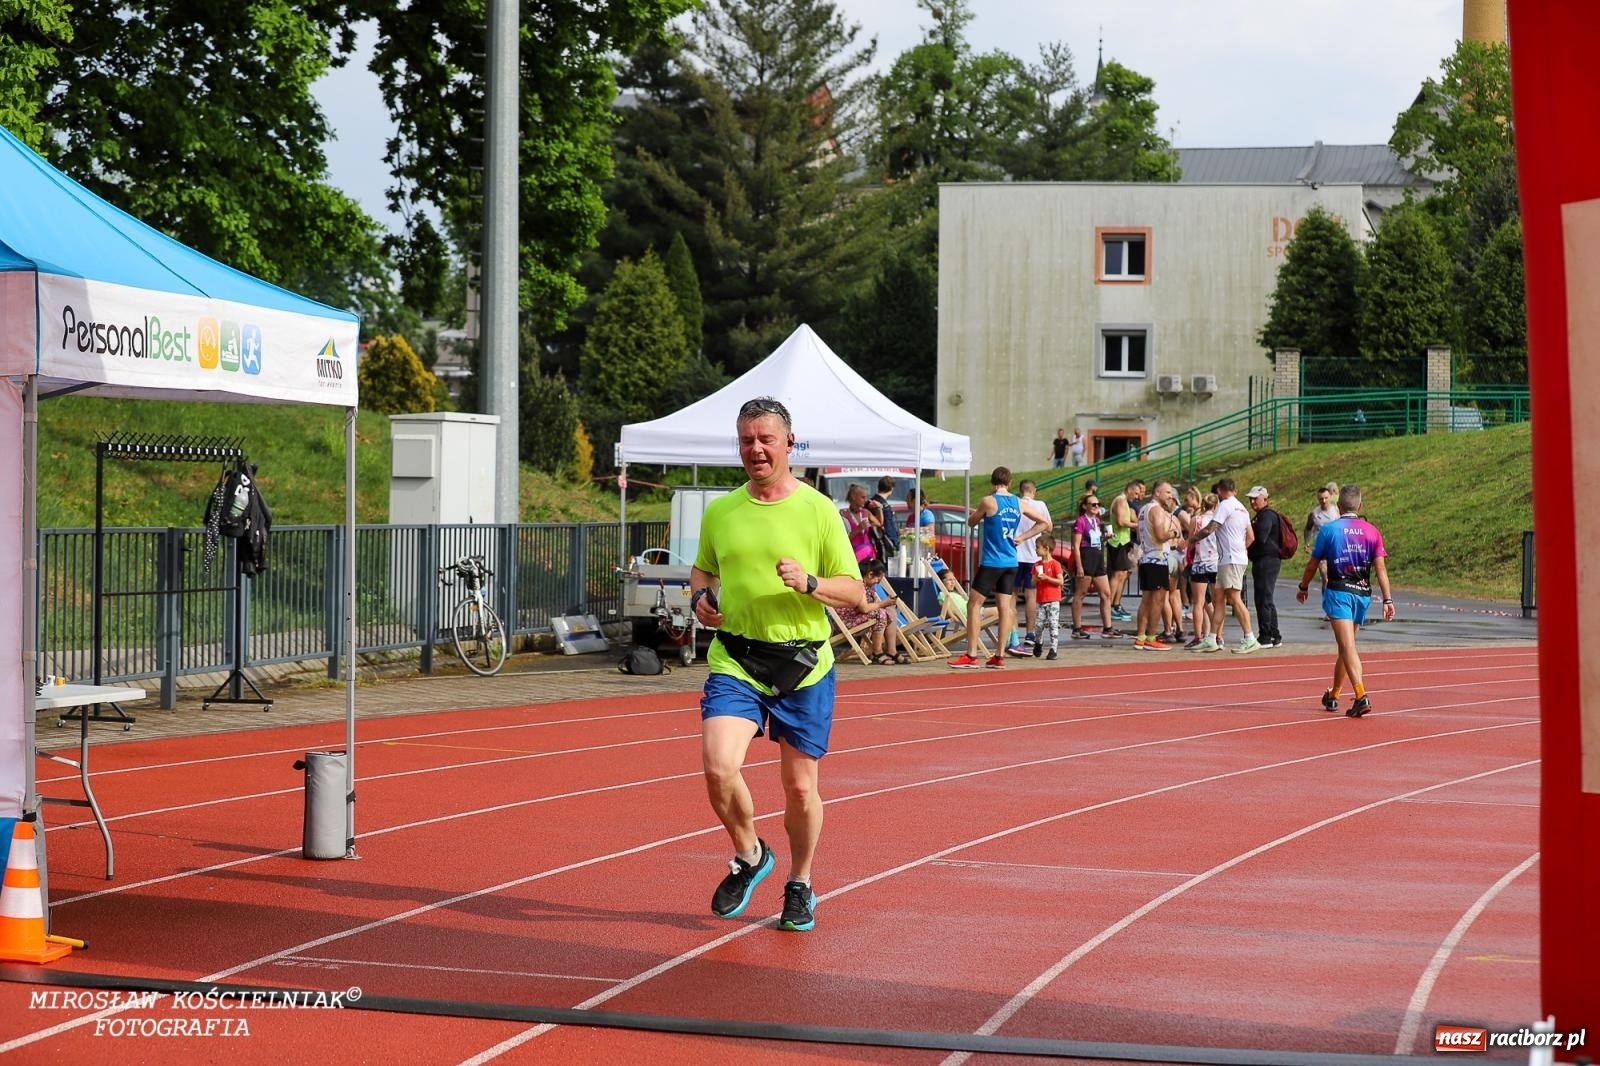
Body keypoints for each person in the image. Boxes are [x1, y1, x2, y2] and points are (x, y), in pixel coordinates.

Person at [690, 396, 864, 933]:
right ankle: (750, 854)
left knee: (799, 788)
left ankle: (801, 881)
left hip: (802, 666)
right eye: (747, 440)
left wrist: (811, 583)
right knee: (719, 766)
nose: (756, 449)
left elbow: (855, 593)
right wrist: (700, 601)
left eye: (766, 439)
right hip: (737, 657)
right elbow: (701, 574)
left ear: (790, 443)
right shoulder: (721, 511)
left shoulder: (817, 511)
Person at [1295, 484, 1394, 717]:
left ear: (1339, 506)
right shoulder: (1372, 531)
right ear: (1360, 505)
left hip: (1339, 590)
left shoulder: (1330, 530)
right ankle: (1334, 694)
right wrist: (1388, 600)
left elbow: (1313, 563)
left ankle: (1361, 696)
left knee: (1348, 647)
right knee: (1345, 647)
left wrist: (1303, 586)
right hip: (1362, 593)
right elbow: (1381, 569)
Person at [948, 466, 1048, 669]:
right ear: (1010, 483)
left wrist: (983, 515)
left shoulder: (989, 501)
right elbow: (1044, 522)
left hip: (992, 561)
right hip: (1012, 561)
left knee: (973, 605)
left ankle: (972, 655)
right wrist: (1022, 537)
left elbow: (971, 522)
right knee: (1005, 608)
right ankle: (999, 655)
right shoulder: (1018, 502)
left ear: (993, 483)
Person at [1188, 478, 1258, 654]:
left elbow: (1210, 528)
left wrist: (1191, 540)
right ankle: (1212, 638)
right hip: (1230, 558)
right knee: (1218, 599)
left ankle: (1250, 637)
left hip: (1230, 559)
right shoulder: (1242, 508)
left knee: (1234, 598)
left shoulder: (1225, 505)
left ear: (1219, 491)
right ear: (1234, 489)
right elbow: (1250, 537)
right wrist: (1240, 550)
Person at [1134, 480, 1182, 650]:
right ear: (1157, 493)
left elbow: (1139, 538)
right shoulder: (1157, 510)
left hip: (1146, 558)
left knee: (1146, 599)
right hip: (1157, 558)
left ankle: (1140, 637)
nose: (1170, 496)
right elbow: (1161, 535)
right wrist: (1174, 532)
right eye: (1167, 492)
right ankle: (1151, 637)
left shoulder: (1143, 510)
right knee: (1158, 600)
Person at [1009, 479, 1052, 655]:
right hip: (1034, 556)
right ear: (1034, 491)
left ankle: (1012, 634)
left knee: (1011, 596)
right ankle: (1030, 633)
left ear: (1020, 491)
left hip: (1015, 554)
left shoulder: (1015, 503)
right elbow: (1049, 526)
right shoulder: (1040, 505)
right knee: (1031, 596)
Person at [835, 559, 906, 665]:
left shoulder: (868, 586)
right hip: (846, 621)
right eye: (877, 579)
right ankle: (877, 653)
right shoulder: (857, 585)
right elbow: (864, 608)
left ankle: (892, 651)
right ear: (870, 574)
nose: (877, 582)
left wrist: (887, 603)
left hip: (857, 617)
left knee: (890, 611)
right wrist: (882, 604)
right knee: (880, 614)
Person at [1071, 493, 1118, 639]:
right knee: (1081, 593)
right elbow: (1076, 546)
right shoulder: (1081, 521)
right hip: (1086, 558)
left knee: (1106, 593)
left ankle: (1108, 627)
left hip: (1097, 557)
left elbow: (1096, 540)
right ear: (1085, 506)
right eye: (1093, 504)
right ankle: (1077, 628)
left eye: (1098, 504)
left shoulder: (1097, 520)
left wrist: (1106, 538)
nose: (1097, 507)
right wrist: (1079, 566)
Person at [1245, 486, 1284, 648]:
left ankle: (1266, 636)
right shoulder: (1262, 515)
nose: (1252, 501)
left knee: (1263, 598)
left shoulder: (1266, 515)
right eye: (1251, 499)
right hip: (1266, 559)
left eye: (1256, 498)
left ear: (1265, 499)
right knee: (1266, 597)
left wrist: (1247, 545)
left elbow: (1260, 538)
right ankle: (1275, 635)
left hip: (1266, 560)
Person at [1105, 480, 1144, 623]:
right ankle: (1108, 605)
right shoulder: (1120, 501)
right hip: (1117, 542)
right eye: (1136, 493)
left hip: (1123, 541)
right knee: (1117, 575)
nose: (1136, 496)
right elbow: (1121, 522)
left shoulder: (1125, 502)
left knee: (1122, 574)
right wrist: (1138, 525)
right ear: (1130, 489)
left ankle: (1115, 605)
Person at [1185, 492, 1220, 648]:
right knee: (1218, 602)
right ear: (1216, 505)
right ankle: (1218, 636)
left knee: (1198, 603)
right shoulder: (1219, 520)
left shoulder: (1196, 520)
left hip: (1200, 563)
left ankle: (1198, 637)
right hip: (1216, 563)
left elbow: (1191, 542)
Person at [1030, 532, 1065, 659]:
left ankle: (1053, 649)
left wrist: (1047, 578)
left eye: (1038, 547)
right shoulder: (1037, 565)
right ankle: (1038, 642)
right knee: (1039, 625)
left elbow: (1060, 581)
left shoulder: (1055, 564)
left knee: (1053, 624)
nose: (1036, 550)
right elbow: (1032, 582)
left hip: (1053, 600)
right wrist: (1038, 579)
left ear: (1046, 549)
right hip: (1041, 600)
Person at [839, 483, 880, 567]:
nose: (866, 500)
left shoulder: (866, 512)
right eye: (863, 497)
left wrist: (879, 508)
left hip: (869, 554)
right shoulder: (843, 514)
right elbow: (843, 539)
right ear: (853, 497)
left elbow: (879, 523)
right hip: (853, 554)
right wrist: (858, 528)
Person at [871, 475, 899, 562]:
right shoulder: (884, 505)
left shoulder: (871, 501)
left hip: (872, 542)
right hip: (884, 544)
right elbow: (888, 527)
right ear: (891, 488)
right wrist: (895, 543)